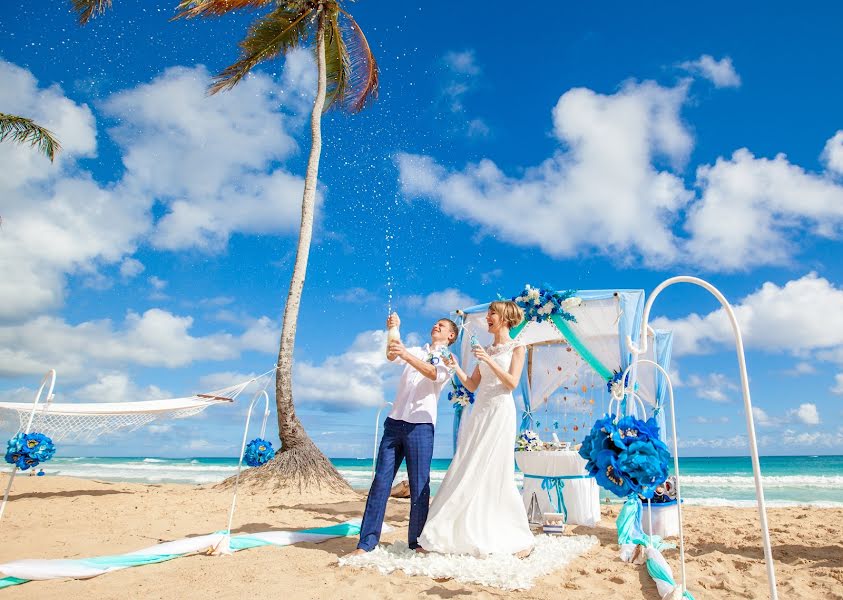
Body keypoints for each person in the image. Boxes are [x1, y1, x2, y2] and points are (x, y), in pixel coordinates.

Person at [418, 300, 534, 557]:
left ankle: (504, 529)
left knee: (494, 467)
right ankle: (451, 529)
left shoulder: (517, 347)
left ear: (505, 318)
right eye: (489, 313)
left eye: (493, 313)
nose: (488, 317)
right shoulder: (487, 349)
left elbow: (512, 383)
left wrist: (489, 361)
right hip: (480, 410)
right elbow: (471, 385)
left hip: (501, 412)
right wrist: (455, 366)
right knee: (467, 462)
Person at [350, 312, 458, 556]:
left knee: (420, 485)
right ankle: (366, 543)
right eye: (435, 323)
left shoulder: (448, 358)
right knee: (380, 482)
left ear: (451, 335)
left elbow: (434, 374)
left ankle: (417, 542)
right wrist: (394, 329)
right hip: (394, 422)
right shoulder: (418, 350)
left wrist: (405, 354)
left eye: (441, 326)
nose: (435, 326)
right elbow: (391, 354)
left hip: (421, 425)